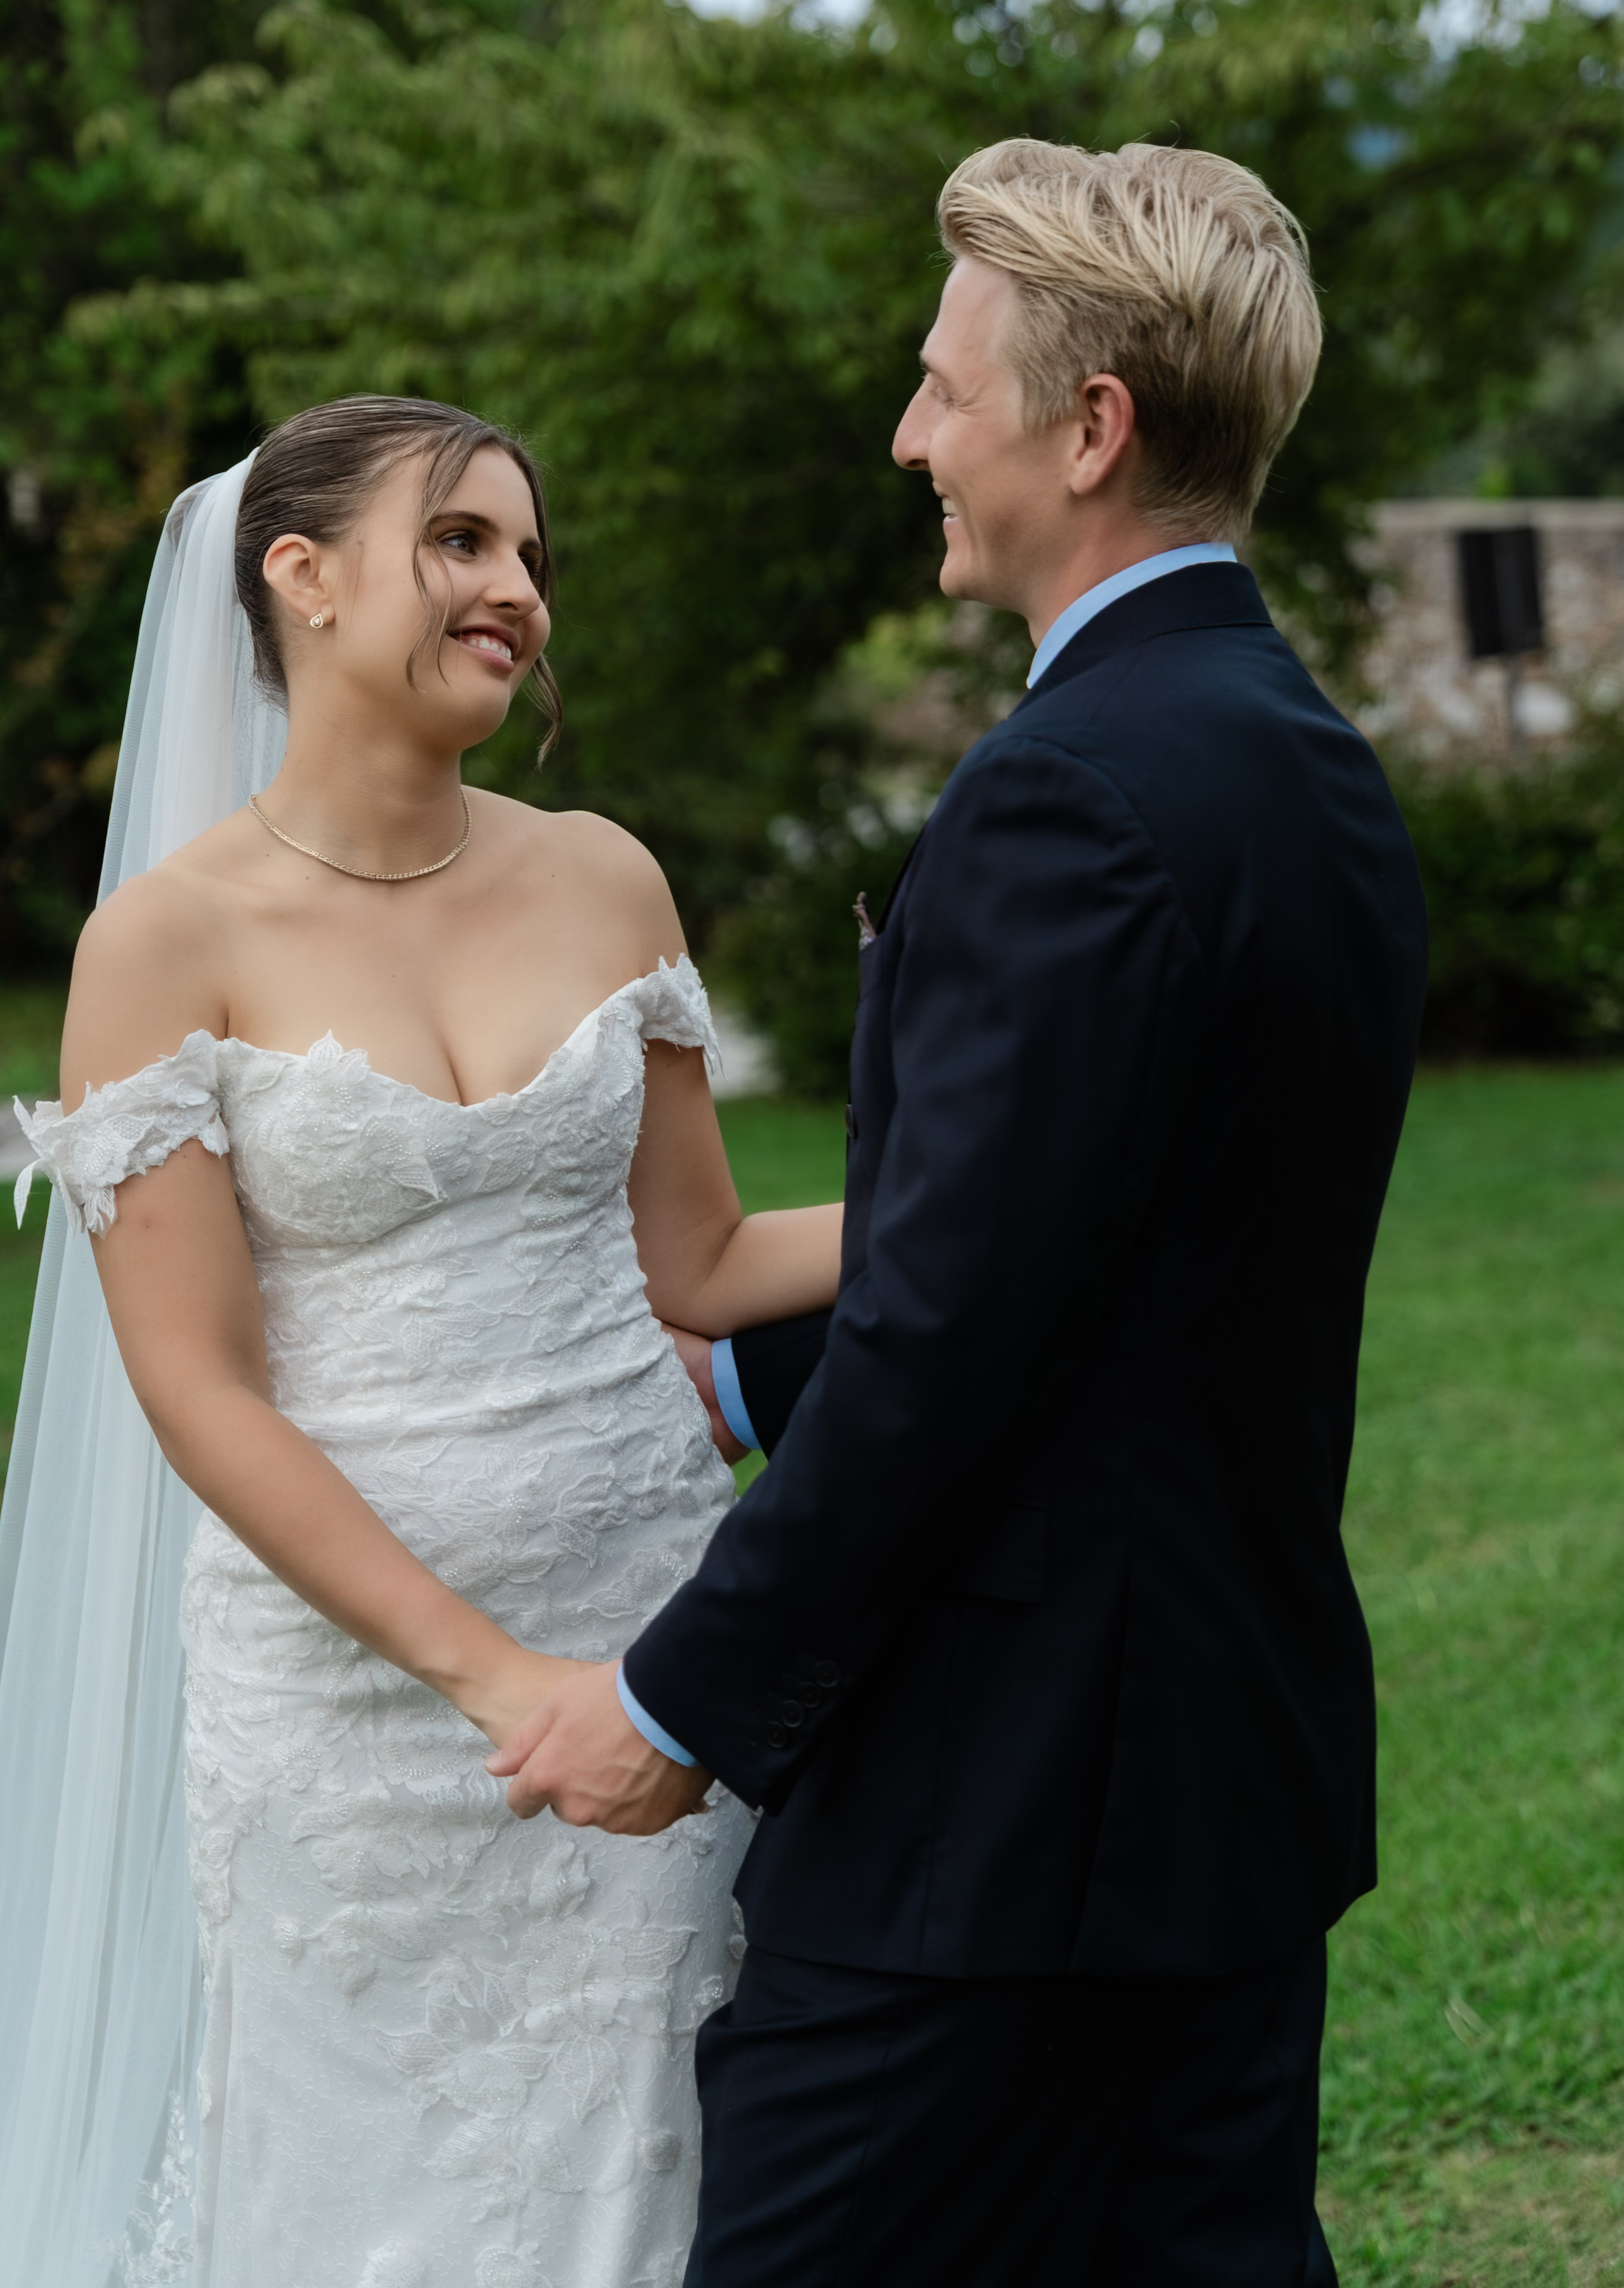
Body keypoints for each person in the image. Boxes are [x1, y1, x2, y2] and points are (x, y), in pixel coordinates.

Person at [491, 140, 1431, 2285]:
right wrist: (728, 1362)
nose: (911, 434)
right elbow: (1118, 1248)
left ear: (1086, 427)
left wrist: (674, 1703)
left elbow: (958, 1349)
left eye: (943, 386)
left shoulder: (1066, 793)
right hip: (1215, 1776)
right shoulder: (1304, 761)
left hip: (1003, 1827)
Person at [3, 396, 839, 2287]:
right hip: (358, 1715)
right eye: (460, 540)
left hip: (648, 1639)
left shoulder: (607, 875)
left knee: (668, 2163)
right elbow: (200, 1389)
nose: (516, 587)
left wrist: (1007, 1213)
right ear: (296, 576)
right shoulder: (162, 942)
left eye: (531, 555)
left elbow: (698, 1260)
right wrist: (494, 1685)